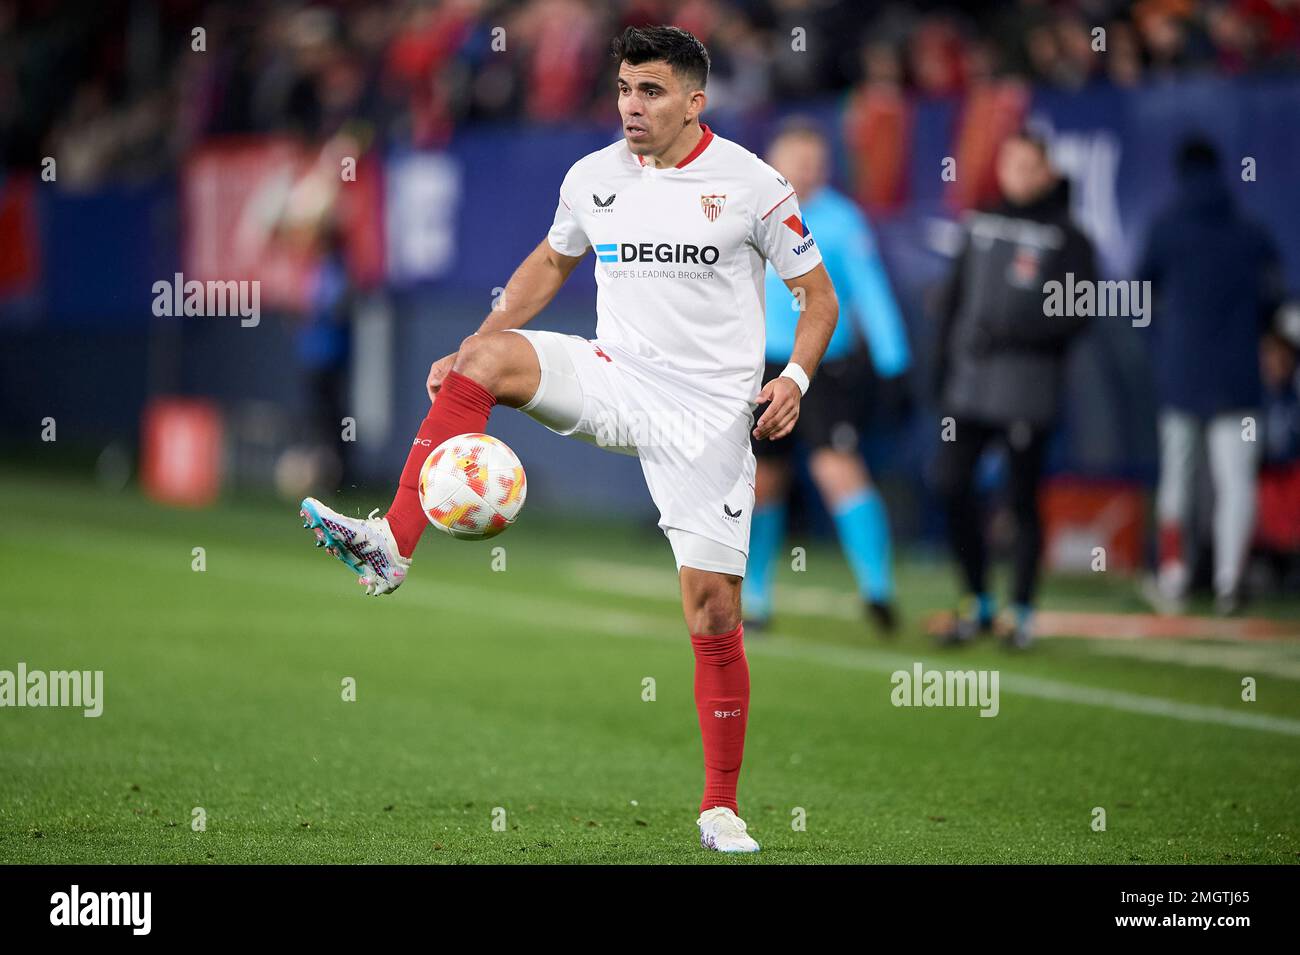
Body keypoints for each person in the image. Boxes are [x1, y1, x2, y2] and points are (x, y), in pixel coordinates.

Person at [297, 26, 839, 853]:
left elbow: (817, 297)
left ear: (696, 102)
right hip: (613, 375)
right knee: (484, 360)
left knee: (712, 609)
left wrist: (793, 379)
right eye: (624, 88)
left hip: (708, 415)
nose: (632, 105)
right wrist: (470, 341)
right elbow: (549, 268)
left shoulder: (754, 186)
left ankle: (720, 805)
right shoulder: (592, 177)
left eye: (651, 91)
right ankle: (393, 541)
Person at [743, 118, 911, 636]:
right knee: (764, 484)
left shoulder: (841, 222)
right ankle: (756, 598)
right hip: (760, 366)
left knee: (837, 469)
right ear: (774, 162)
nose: (807, 171)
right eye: (797, 160)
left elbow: (870, 293)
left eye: (816, 161)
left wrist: (893, 361)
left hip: (821, 367)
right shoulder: (749, 210)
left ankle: (877, 589)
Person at [931, 131, 1094, 649]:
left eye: (1030, 166)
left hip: (1028, 389)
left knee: (1020, 500)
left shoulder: (1069, 237)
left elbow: (1078, 313)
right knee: (951, 485)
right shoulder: (979, 222)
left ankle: (1020, 611)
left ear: (1047, 171)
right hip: (970, 389)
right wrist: (938, 371)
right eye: (1012, 165)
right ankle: (977, 601)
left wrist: (1012, 334)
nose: (1020, 175)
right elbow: (952, 302)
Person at [1139, 136, 1283, 616]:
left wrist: (1160, 343)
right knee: (1235, 480)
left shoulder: (1166, 227)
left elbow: (1141, 296)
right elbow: (1274, 302)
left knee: (1177, 479)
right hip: (1240, 375)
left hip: (1181, 373)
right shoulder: (1251, 231)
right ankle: (1229, 582)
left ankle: (1175, 577)